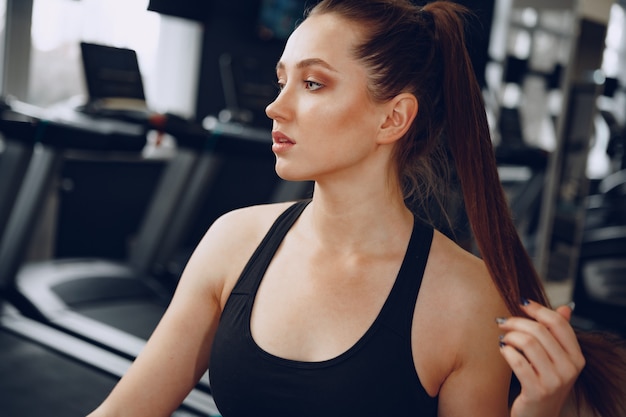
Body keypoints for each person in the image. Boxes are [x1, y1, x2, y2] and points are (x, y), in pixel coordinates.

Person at [87, 1, 626, 416]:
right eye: (283, 81)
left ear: (393, 119)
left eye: (313, 83)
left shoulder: (464, 302)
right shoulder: (234, 242)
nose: (276, 106)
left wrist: (535, 414)